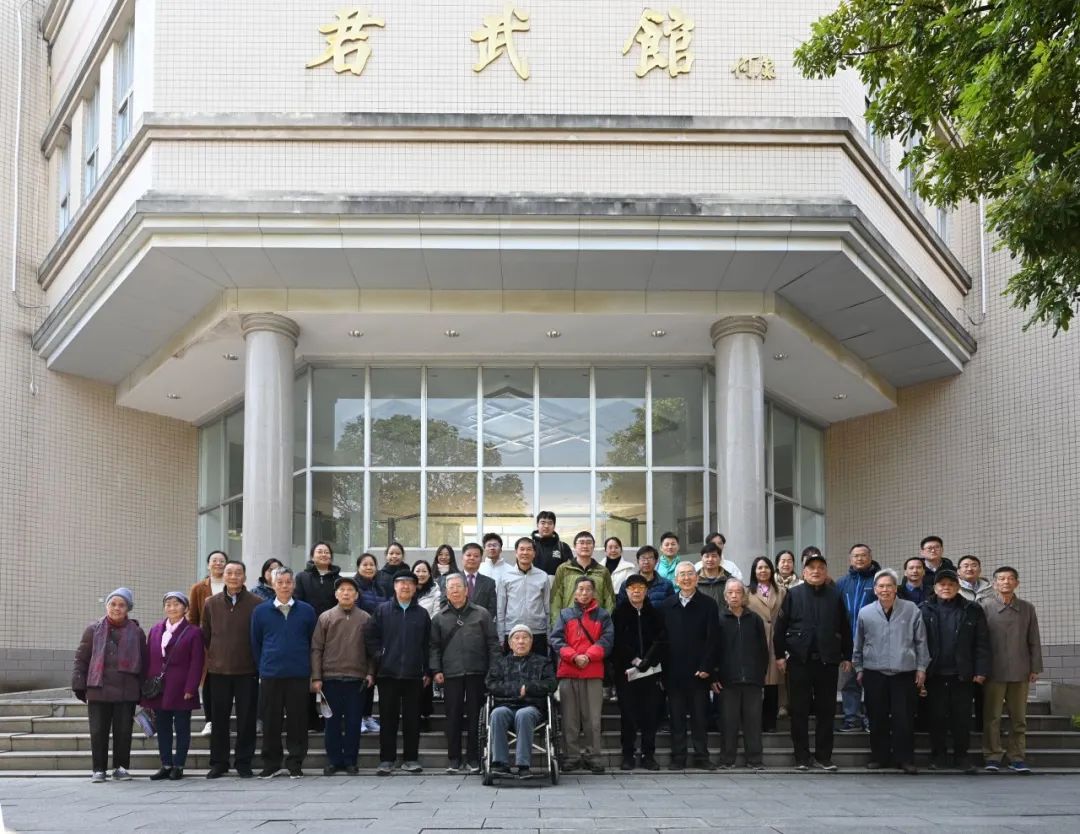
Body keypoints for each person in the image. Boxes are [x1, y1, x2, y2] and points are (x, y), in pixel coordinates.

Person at [774, 551, 852, 772]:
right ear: (804, 572)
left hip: (828, 661)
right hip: (800, 661)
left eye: (820, 568)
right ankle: (801, 756)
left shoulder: (835, 595)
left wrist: (847, 655)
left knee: (826, 711)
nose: (816, 571)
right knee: (799, 711)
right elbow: (780, 629)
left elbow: (845, 627)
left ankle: (823, 757)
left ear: (826, 572)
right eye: (811, 568)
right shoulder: (793, 594)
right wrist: (779, 655)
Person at [853, 569, 929, 774]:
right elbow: (858, 642)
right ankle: (879, 757)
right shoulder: (865, 612)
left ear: (896, 588)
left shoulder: (911, 609)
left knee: (903, 718)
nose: (885, 590)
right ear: (875, 589)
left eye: (889, 586)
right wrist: (858, 667)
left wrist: (921, 668)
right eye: (881, 586)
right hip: (874, 671)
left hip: (904, 672)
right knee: (877, 717)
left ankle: (905, 759)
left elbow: (921, 641)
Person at [72, 588, 146, 783]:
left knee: (124, 731)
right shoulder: (92, 630)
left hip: (126, 689)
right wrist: (79, 684)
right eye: (112, 604)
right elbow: (81, 658)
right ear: (107, 606)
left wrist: (144, 690)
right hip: (98, 688)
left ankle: (121, 768)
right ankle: (99, 769)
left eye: (121, 605)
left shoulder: (137, 632)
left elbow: (145, 662)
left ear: (128, 608)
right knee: (98, 731)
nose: (116, 608)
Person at [920, 569, 990, 773]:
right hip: (934, 673)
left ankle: (962, 757)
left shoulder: (972, 609)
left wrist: (981, 670)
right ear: (935, 588)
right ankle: (938, 756)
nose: (946, 588)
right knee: (936, 717)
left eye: (951, 584)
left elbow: (982, 642)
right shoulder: (924, 609)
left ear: (958, 587)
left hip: (963, 673)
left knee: (962, 718)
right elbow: (916, 642)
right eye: (942, 584)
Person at [430, 573, 501, 774]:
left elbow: (493, 644)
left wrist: (493, 669)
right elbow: (433, 647)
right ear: (446, 592)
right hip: (451, 673)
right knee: (452, 716)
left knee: (475, 717)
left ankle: (473, 757)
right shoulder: (439, 618)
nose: (455, 590)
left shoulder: (481, 614)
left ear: (466, 589)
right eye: (451, 587)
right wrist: (436, 670)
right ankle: (454, 758)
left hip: (477, 672)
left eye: (458, 586)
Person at [251, 567, 317, 779]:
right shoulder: (261, 611)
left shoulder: (307, 610)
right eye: (280, 582)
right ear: (273, 584)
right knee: (271, 721)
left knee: (298, 720)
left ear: (294, 584)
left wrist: (312, 672)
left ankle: (295, 762)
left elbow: (313, 642)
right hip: (271, 674)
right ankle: (271, 763)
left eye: (288, 582)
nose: (284, 586)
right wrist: (263, 667)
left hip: (299, 673)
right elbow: (255, 643)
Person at [367, 572, 432, 776]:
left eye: (410, 583)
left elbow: (428, 644)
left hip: (414, 675)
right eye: (401, 583)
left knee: (412, 719)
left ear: (415, 588)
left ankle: (411, 758)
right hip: (388, 674)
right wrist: (380, 655)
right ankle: (387, 759)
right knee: (388, 719)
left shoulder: (422, 614)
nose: (405, 586)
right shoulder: (382, 611)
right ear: (394, 586)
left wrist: (427, 669)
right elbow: (371, 637)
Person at [658, 561, 720, 771]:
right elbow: (661, 641)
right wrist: (663, 671)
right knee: (676, 719)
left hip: (699, 673)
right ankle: (678, 757)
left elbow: (713, 639)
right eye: (682, 575)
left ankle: (702, 756)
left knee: (700, 718)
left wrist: (707, 667)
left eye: (690, 574)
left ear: (697, 577)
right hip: (674, 673)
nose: (686, 578)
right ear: (676, 580)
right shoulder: (667, 605)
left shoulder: (708, 604)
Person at [202, 560, 262, 779]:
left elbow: (259, 636)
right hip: (218, 670)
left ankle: (244, 762)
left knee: (247, 719)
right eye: (229, 573)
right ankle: (219, 762)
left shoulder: (257, 603)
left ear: (244, 577)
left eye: (238, 573)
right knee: (219, 720)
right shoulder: (211, 603)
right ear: (223, 576)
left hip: (247, 670)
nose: (233, 576)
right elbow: (206, 634)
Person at [981, 566, 1043, 773]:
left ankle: (1017, 756)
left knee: (1019, 718)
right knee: (992, 717)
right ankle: (993, 755)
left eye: (1010, 578)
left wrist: (1035, 667)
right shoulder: (985, 606)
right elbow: (979, 641)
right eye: (1001, 579)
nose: (1006, 582)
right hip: (993, 671)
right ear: (994, 584)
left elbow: (1034, 639)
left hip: (1020, 669)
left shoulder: (1027, 608)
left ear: (1017, 583)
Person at [550, 575, 614, 773]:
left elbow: (607, 640)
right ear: (575, 592)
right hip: (568, 671)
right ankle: (572, 756)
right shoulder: (565, 614)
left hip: (593, 671)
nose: (584, 593)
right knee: (569, 719)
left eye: (588, 589)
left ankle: (593, 756)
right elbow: (556, 639)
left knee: (593, 719)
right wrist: (574, 656)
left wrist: (588, 656)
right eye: (580, 589)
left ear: (594, 592)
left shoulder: (603, 615)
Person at [310, 575, 373, 776]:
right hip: (331, 679)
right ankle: (334, 760)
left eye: (350, 590)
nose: (346, 593)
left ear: (356, 595)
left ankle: (351, 760)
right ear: (336, 594)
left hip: (357, 679)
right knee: (332, 723)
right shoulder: (325, 617)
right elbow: (316, 648)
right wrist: (316, 677)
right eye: (342, 590)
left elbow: (372, 650)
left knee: (354, 723)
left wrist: (370, 673)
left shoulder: (365, 618)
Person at [143, 591, 204, 781]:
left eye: (177, 604)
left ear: (185, 608)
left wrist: (191, 687)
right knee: (162, 727)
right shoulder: (155, 629)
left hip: (181, 687)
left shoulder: (193, 632)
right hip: (159, 688)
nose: (172, 608)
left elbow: (197, 662)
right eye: (168, 604)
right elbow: (148, 659)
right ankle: (166, 764)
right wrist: (146, 686)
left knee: (182, 727)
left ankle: (179, 765)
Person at [485, 624, 558, 778]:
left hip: (532, 707)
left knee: (523, 714)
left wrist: (528, 688)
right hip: (505, 705)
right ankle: (500, 764)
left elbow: (551, 684)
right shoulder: (500, 663)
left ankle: (523, 765)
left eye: (525, 638)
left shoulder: (542, 662)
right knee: (497, 714)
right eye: (517, 638)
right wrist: (517, 689)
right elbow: (491, 684)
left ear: (531, 642)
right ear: (510, 643)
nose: (521, 641)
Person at [611, 573, 666, 771]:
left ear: (646, 591)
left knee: (650, 715)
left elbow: (662, 639)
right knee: (628, 715)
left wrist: (648, 660)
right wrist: (634, 660)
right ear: (626, 591)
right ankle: (628, 755)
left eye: (640, 588)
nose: (636, 591)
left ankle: (648, 755)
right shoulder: (619, 613)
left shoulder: (655, 613)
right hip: (627, 673)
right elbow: (617, 641)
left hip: (651, 672)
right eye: (632, 588)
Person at [717, 579, 769, 770]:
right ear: (725, 596)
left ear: (744, 596)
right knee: (728, 722)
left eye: (738, 592)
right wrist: (715, 676)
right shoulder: (719, 619)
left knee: (753, 722)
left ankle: (754, 760)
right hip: (727, 680)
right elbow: (713, 650)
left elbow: (763, 650)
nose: (734, 596)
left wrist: (761, 674)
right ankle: (727, 759)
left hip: (752, 679)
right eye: (730, 593)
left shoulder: (754, 619)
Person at [836, 543, 878, 733]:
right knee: (849, 683)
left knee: (872, 684)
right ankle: (851, 719)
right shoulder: (842, 583)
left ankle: (871, 719)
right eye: (856, 556)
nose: (859, 559)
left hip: (873, 644)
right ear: (850, 559)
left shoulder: (878, 581)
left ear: (870, 557)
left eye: (863, 555)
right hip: (848, 644)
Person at [188, 550, 227, 737]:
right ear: (208, 565)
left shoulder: (233, 585)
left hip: (230, 642)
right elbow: (193, 618)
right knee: (208, 680)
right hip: (207, 642)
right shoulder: (198, 588)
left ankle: (223, 721)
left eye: (222, 560)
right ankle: (210, 721)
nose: (218, 563)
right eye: (214, 560)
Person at [746, 556, 786, 733]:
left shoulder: (782, 591)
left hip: (776, 641)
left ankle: (770, 723)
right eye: (759, 568)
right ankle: (754, 722)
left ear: (772, 570)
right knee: (756, 683)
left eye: (766, 567)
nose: (763, 571)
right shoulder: (747, 592)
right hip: (754, 642)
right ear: (754, 571)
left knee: (773, 683)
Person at [496, 537, 551, 655]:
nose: (525, 552)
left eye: (529, 549)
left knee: (539, 665)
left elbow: (547, 608)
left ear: (534, 553)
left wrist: (549, 634)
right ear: (516, 553)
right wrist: (501, 636)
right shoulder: (505, 576)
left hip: (538, 632)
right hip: (512, 632)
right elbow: (500, 609)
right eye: (522, 549)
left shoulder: (542, 576)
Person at [353, 552, 386, 735]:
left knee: (371, 678)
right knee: (360, 679)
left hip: (376, 638)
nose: (368, 567)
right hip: (358, 637)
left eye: (372, 564)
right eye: (364, 564)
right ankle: (357, 716)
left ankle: (367, 716)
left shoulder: (380, 588)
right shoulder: (354, 587)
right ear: (358, 567)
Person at [550, 531, 616, 623]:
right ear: (574, 546)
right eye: (581, 543)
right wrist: (558, 626)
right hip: (570, 624)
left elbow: (610, 601)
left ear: (593, 546)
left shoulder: (603, 572)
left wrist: (604, 624)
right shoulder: (563, 569)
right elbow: (555, 600)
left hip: (595, 625)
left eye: (589, 543)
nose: (585, 546)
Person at [449, 541, 498, 617]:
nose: (472, 558)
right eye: (468, 555)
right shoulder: (451, 580)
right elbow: (444, 605)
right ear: (462, 558)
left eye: (476, 556)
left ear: (481, 560)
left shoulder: (489, 583)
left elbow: (492, 609)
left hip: (480, 623)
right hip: (455, 622)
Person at [294, 541, 342, 617]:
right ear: (312, 557)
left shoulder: (338, 579)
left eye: (327, 552)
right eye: (320, 552)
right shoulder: (302, 577)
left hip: (332, 621)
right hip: (308, 620)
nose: (324, 555)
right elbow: (297, 602)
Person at [532, 510, 573, 575]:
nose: (546, 526)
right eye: (543, 523)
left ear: (554, 526)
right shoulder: (530, 546)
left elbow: (570, 570)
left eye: (550, 523)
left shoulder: (563, 547)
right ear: (537, 525)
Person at [695, 542, 732, 610]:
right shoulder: (693, 580)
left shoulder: (729, 580)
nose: (710, 559)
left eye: (714, 556)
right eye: (707, 556)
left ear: (720, 558)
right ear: (701, 558)